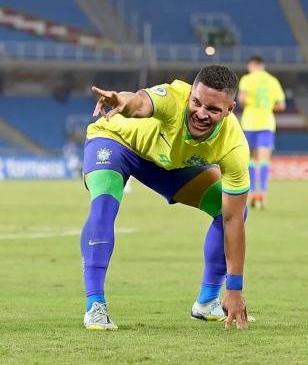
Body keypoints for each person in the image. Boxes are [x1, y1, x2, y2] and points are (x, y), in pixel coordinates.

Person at [81, 65, 250, 330]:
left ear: (230, 110)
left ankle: (207, 302)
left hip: (167, 164)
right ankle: (95, 305)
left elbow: (233, 218)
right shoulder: (173, 97)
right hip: (116, 140)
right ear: (190, 95)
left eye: (213, 109)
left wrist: (235, 288)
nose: (201, 114)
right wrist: (123, 101)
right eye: (196, 102)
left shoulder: (234, 146)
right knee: (104, 203)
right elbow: (139, 103)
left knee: (228, 208)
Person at [238, 55, 285, 209]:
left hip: (249, 123)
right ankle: (262, 194)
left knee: (250, 159)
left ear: (252, 65)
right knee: (264, 160)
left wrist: (252, 104)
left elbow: (242, 99)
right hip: (266, 124)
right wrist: (267, 107)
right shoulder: (273, 81)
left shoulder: (247, 79)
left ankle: (252, 193)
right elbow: (281, 105)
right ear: (262, 65)